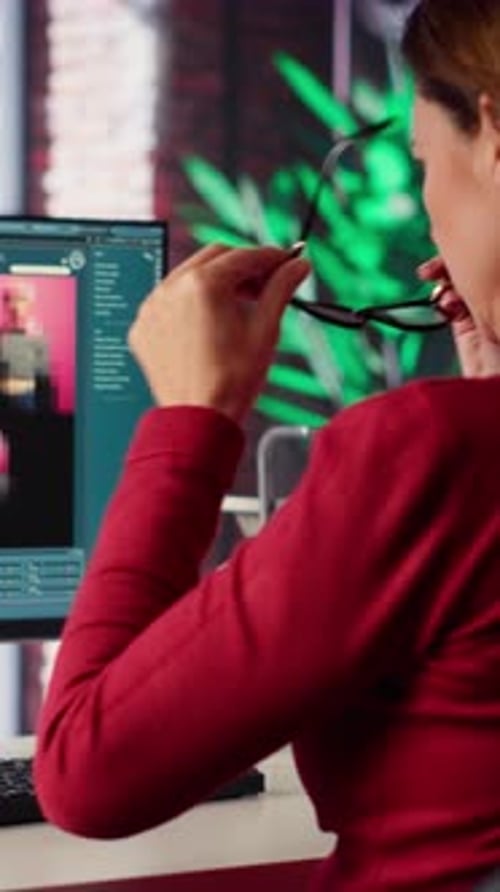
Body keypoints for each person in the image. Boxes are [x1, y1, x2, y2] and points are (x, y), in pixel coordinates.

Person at [34, 1, 500, 889]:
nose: (434, 216)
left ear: (491, 135)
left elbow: (86, 777)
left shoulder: (428, 453)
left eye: (424, 164)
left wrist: (194, 417)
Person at [0, 280, 52, 412]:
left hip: (25, 397)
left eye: (21, 299)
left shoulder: (37, 333)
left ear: (31, 303)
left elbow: (43, 374)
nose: (15, 305)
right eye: (9, 300)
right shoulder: (2, 332)